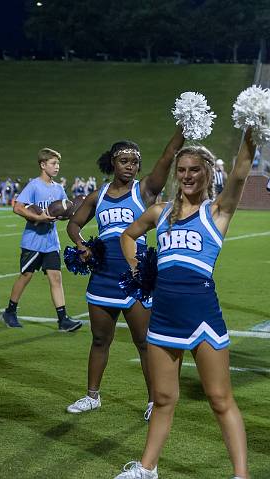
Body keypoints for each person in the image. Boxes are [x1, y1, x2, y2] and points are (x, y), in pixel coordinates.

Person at [113, 130, 256, 479]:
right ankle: (147, 469)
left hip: (202, 316)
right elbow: (127, 235)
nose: (187, 176)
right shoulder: (160, 213)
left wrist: (252, 131)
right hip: (163, 316)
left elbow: (239, 173)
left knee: (220, 399)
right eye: (182, 170)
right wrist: (138, 270)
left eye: (195, 169)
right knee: (162, 398)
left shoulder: (217, 211)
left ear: (207, 173)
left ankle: (241, 475)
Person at [65, 127, 184, 419]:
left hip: (135, 279)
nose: (130, 166)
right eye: (124, 161)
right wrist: (82, 246)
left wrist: (183, 126)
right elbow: (73, 224)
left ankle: (153, 401)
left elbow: (168, 157)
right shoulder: (98, 195)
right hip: (102, 278)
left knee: (144, 343)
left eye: (134, 162)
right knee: (99, 340)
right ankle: (92, 396)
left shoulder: (143, 190)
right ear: (113, 163)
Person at [1, 148, 82, 331]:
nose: (57, 167)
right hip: (33, 240)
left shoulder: (59, 188)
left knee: (56, 277)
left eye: (58, 163)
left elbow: (66, 210)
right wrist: (38, 218)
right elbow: (18, 207)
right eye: (53, 163)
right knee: (26, 275)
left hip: (51, 241)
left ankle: (63, 319)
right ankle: (10, 311)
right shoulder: (34, 186)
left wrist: (72, 211)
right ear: (43, 165)